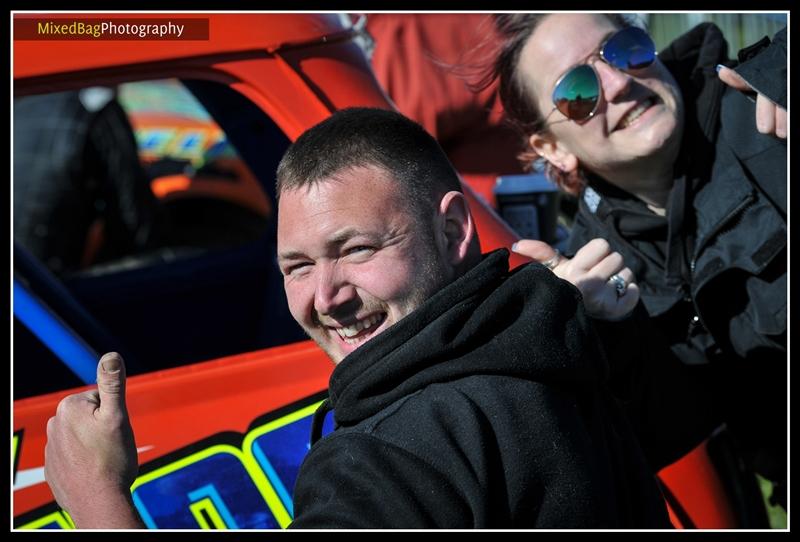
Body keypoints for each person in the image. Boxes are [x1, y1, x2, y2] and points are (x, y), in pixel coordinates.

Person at [44, 107, 672, 529]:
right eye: (296, 267)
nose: (325, 297)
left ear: (453, 229)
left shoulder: (382, 459)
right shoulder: (565, 347)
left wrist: (99, 503)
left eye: (356, 250)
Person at [482, 13, 786, 507]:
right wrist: (595, 333)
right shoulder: (595, 269)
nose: (621, 82)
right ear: (552, 149)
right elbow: (674, 434)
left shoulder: (767, 112)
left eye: (624, 48)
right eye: (578, 89)